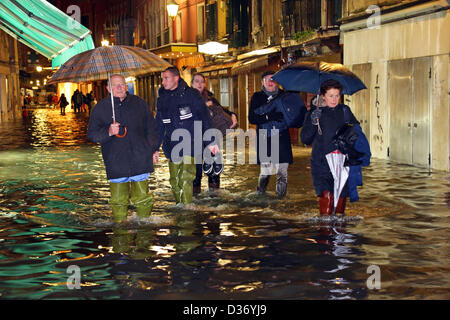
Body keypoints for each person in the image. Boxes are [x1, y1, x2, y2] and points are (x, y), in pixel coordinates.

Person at [87, 74, 159, 223]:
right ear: (108, 88)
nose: (120, 88)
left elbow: (151, 128)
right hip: (116, 161)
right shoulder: (100, 108)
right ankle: (121, 238)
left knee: (143, 200)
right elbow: (92, 135)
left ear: (126, 86)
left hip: (140, 158)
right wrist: (108, 131)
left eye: (122, 84)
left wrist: (153, 149)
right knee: (118, 202)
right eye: (115, 85)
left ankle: (144, 238)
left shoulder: (139, 103)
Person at [300, 79, 370, 216]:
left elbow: (356, 131)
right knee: (327, 201)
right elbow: (305, 139)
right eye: (331, 95)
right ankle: (325, 234)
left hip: (342, 162)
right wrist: (313, 122)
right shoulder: (314, 113)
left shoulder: (344, 111)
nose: (334, 99)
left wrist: (349, 137)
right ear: (323, 96)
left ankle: (339, 234)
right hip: (321, 163)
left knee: (340, 209)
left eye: (337, 95)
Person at [154, 67, 218, 206]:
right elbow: (159, 125)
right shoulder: (161, 99)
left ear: (176, 78)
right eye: (162, 78)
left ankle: (187, 209)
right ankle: (180, 206)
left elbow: (204, 117)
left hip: (191, 143)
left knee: (185, 177)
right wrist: (155, 148)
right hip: (172, 145)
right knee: (174, 181)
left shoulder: (191, 95)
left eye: (166, 78)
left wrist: (210, 141)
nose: (163, 82)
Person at [249, 70, 306, 198]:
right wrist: (269, 116)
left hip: (282, 138)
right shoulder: (257, 97)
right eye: (267, 79)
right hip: (265, 138)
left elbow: (295, 115)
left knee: (282, 171)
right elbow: (252, 119)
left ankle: (280, 200)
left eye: (272, 79)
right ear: (262, 82)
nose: (270, 82)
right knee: (266, 171)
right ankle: (260, 195)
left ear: (277, 82)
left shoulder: (285, 96)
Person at [190, 73, 238, 194]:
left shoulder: (210, 98)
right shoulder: (186, 97)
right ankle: (195, 199)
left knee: (214, 172)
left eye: (202, 81)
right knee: (196, 173)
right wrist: (203, 106)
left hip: (211, 138)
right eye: (197, 81)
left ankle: (215, 199)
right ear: (191, 84)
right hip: (193, 140)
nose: (200, 84)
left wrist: (233, 115)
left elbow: (223, 110)